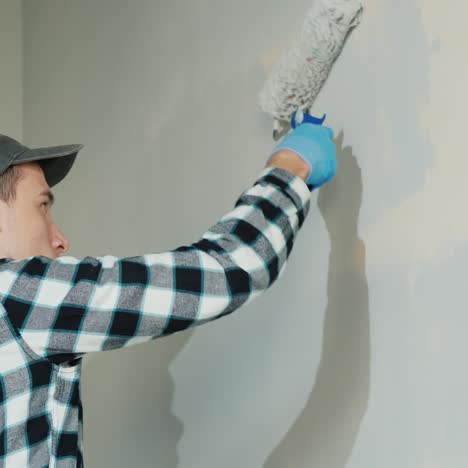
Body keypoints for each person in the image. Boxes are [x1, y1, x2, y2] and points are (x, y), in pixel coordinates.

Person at [0, 114, 336, 467]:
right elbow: (235, 266)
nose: (60, 239)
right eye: (42, 206)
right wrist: (290, 167)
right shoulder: (17, 294)